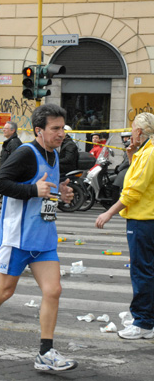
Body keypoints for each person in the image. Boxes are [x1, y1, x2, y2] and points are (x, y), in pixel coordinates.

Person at [0, 104, 78, 372]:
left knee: (53, 291)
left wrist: (60, 194)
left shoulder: (54, 155)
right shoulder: (26, 153)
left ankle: (45, 353)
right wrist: (33, 189)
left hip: (44, 237)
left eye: (62, 128)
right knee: (5, 290)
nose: (61, 133)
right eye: (55, 129)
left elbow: (45, 192)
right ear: (39, 130)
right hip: (18, 238)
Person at [96, 112, 154, 339]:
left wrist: (109, 212)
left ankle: (143, 322)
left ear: (139, 131)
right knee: (146, 270)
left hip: (143, 219)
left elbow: (133, 190)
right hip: (146, 218)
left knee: (142, 272)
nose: (130, 133)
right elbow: (140, 181)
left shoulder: (149, 154)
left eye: (132, 129)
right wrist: (131, 157)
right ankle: (146, 316)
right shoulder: (144, 153)